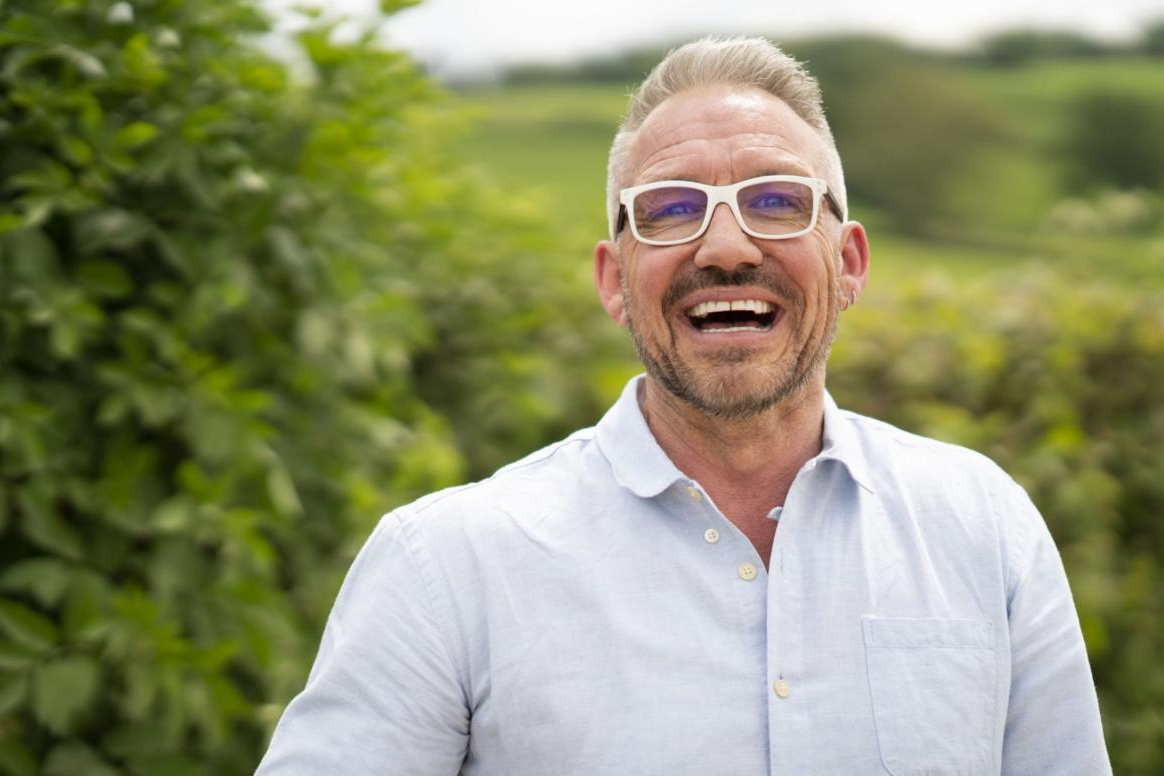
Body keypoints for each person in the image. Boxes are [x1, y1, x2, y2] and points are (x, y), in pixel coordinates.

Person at [256, 36, 1111, 775]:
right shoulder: (445, 567)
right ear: (613, 282)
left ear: (849, 263)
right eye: (670, 210)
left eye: (778, 202)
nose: (728, 247)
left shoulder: (983, 525)